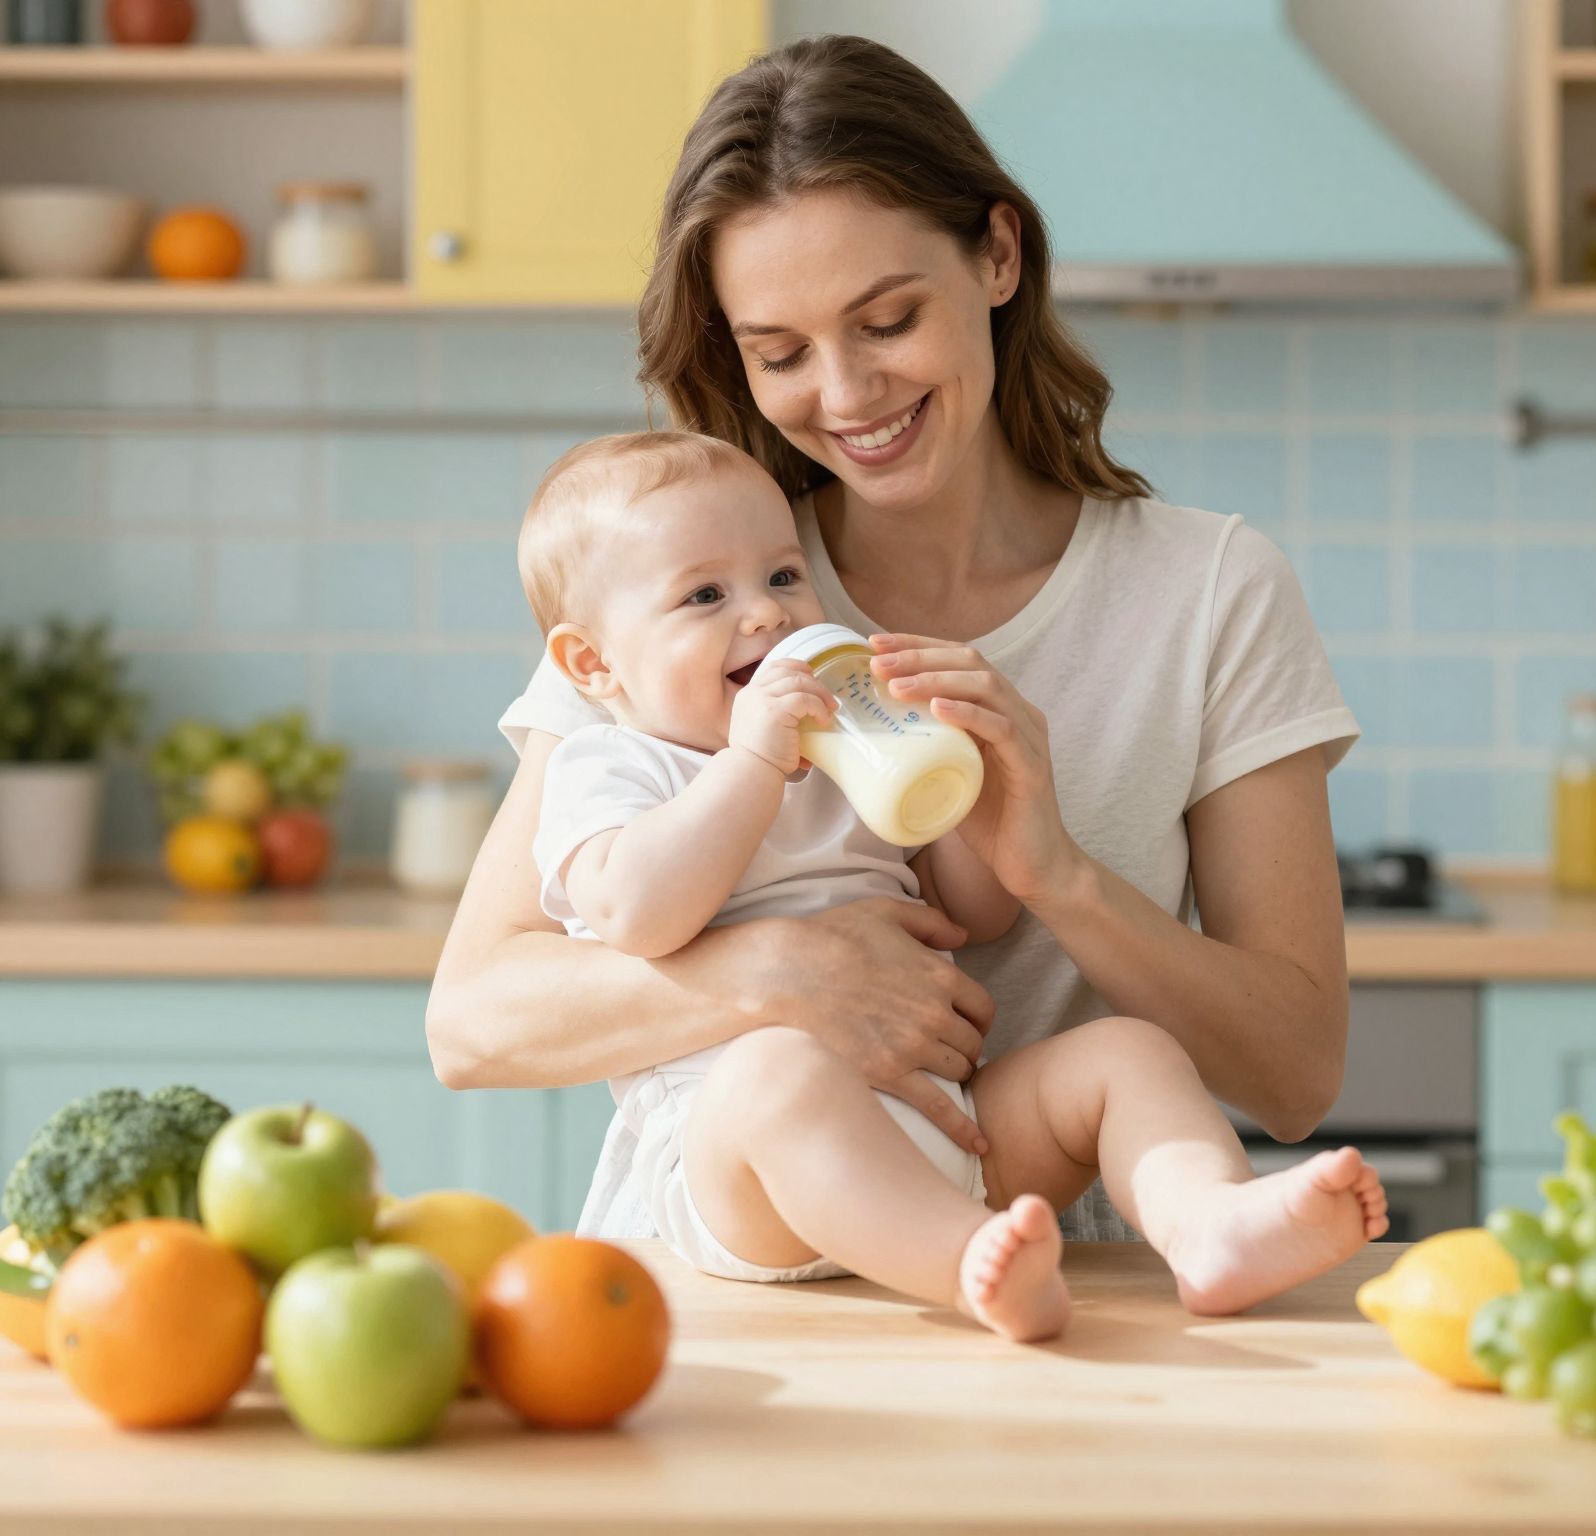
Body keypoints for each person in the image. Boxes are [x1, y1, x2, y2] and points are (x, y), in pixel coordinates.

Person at [426, 35, 1362, 1249]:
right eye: (778, 353)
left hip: (1053, 1291)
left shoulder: (1207, 592)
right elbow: (475, 1024)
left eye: (886, 320)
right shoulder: (690, 599)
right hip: (728, 1312)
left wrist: (1054, 876)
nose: (847, 392)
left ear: (996, 254)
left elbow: (1296, 1073)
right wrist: (778, 973)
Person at [518, 429, 1387, 1339]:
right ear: (592, 664)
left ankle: (1206, 1222)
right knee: (778, 1070)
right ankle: (969, 1266)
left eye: (782, 577)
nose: (767, 616)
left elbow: (971, 914)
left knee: (1124, 1052)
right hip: (742, 1171)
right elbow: (637, 914)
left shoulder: (842, 753)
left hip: (951, 1131)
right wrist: (749, 766)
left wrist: (971, 794)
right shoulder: (611, 766)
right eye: (705, 595)